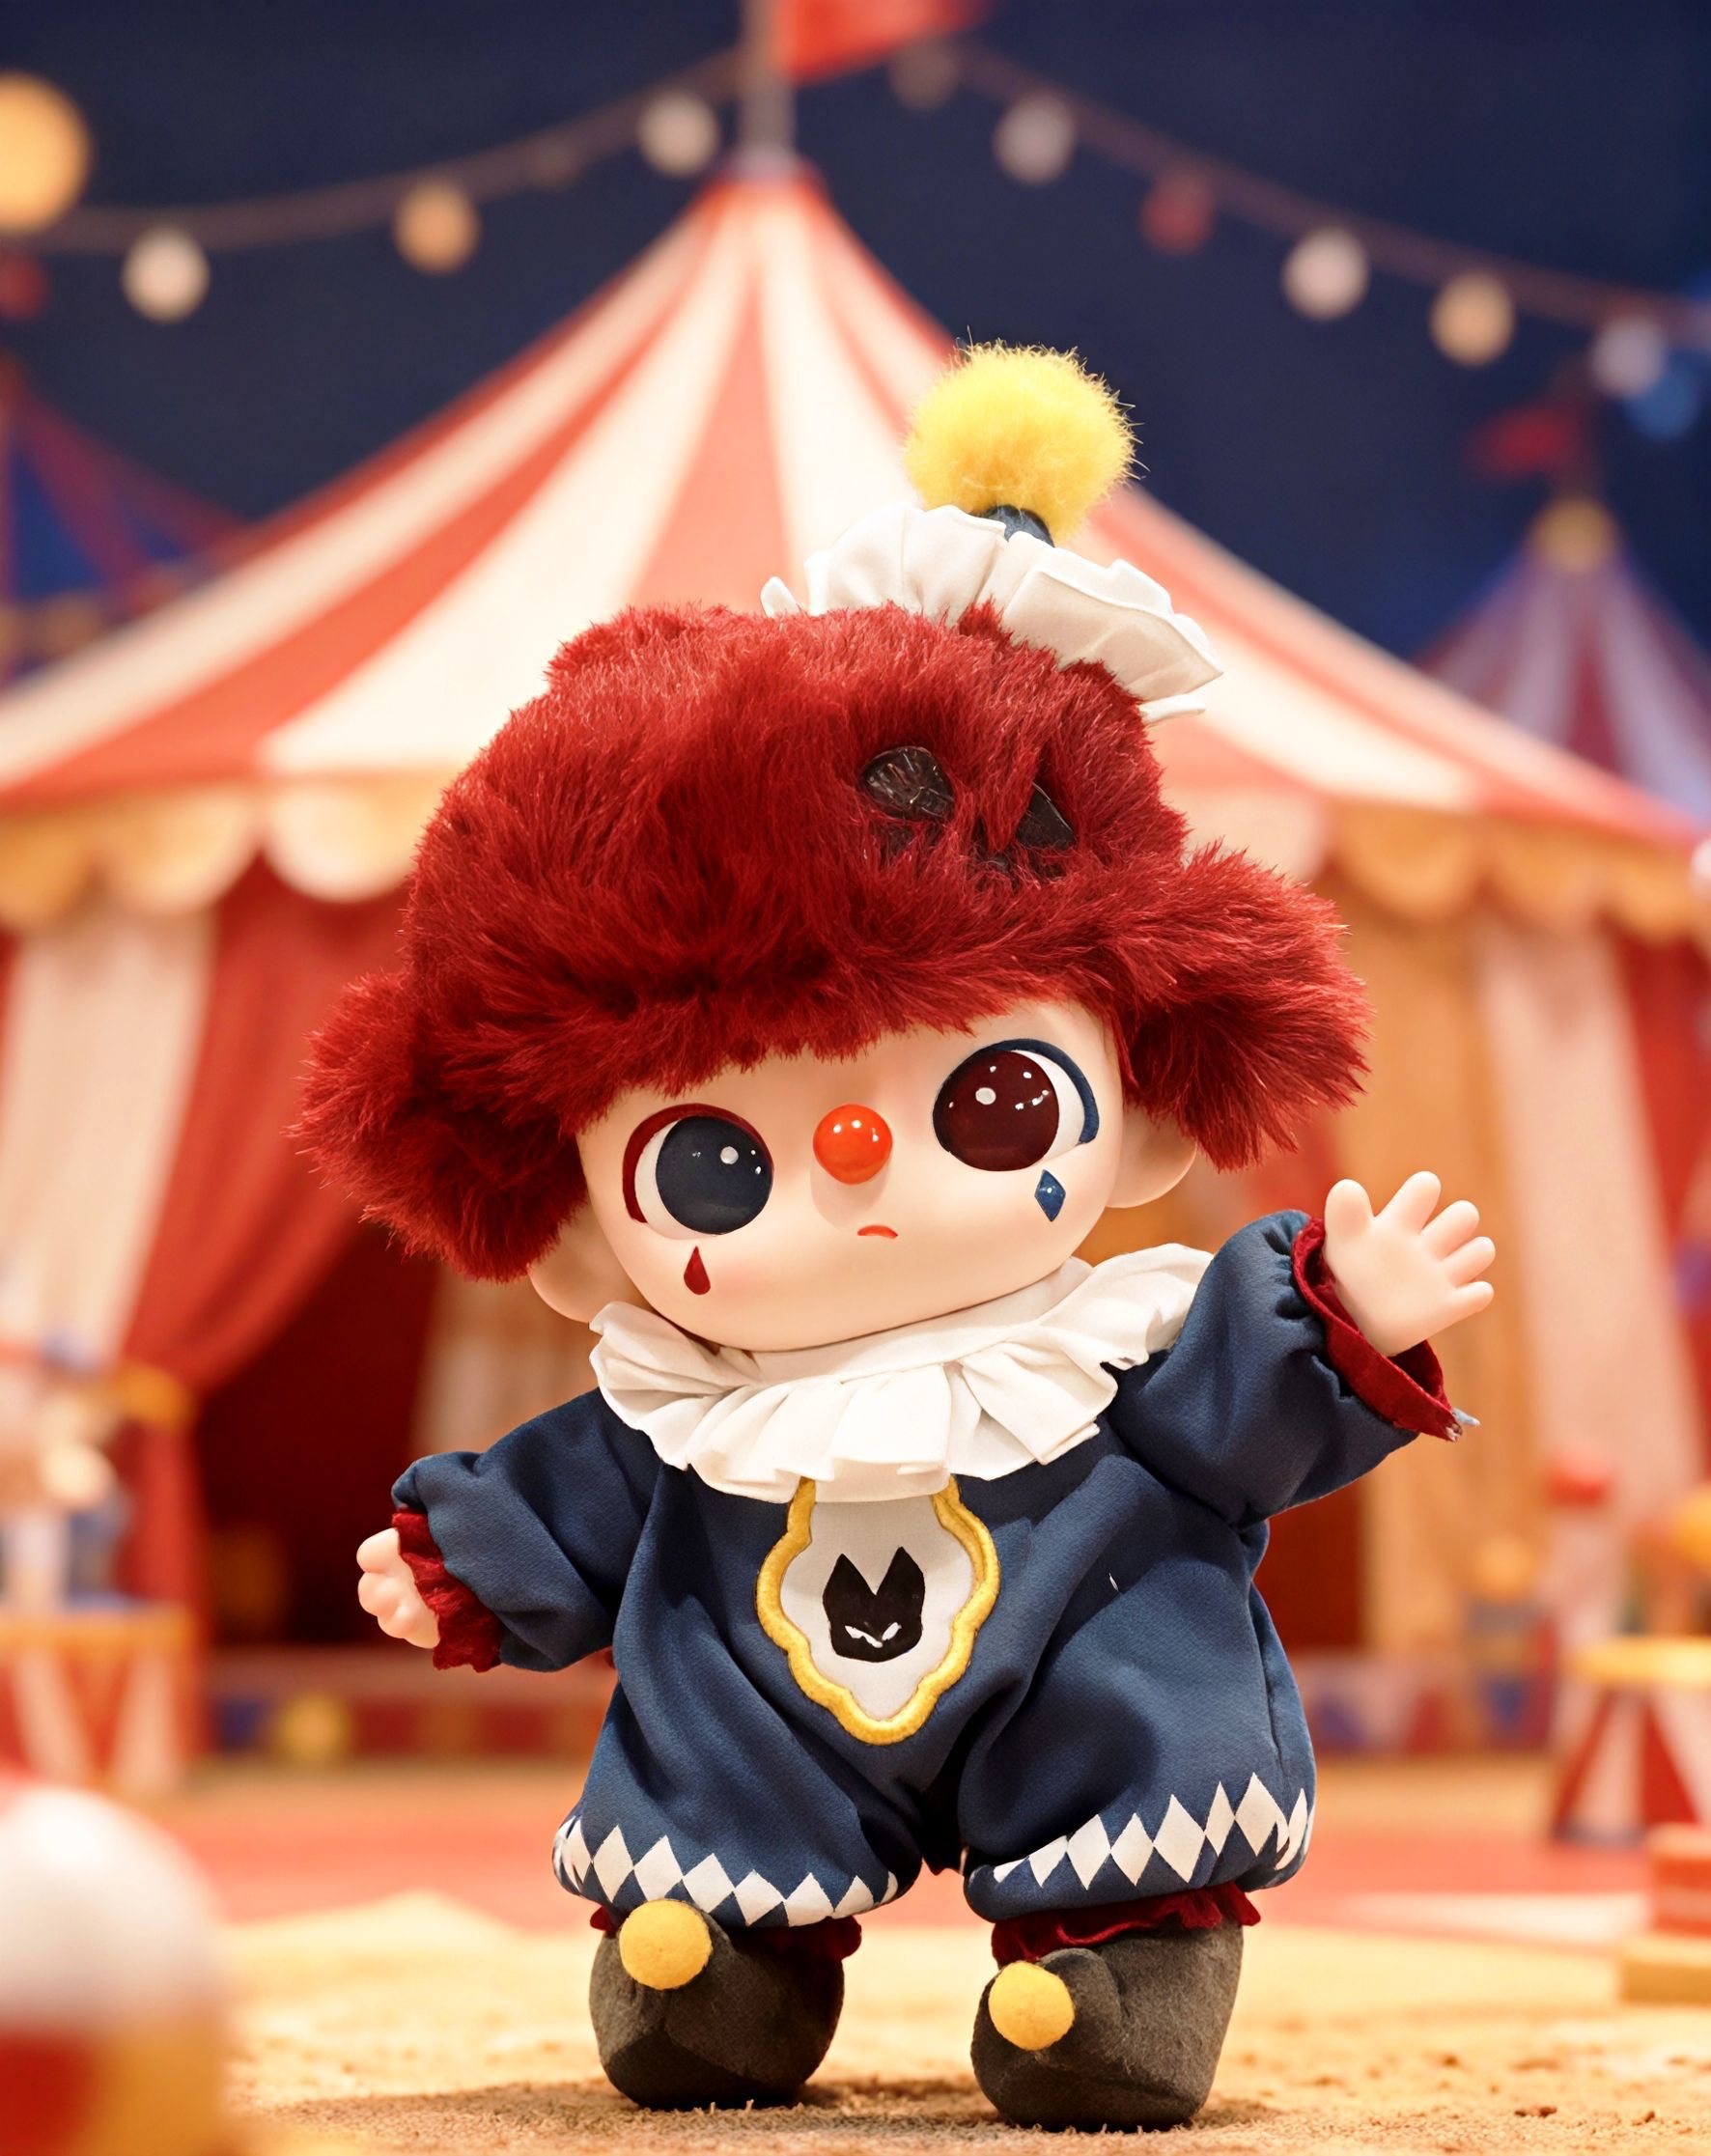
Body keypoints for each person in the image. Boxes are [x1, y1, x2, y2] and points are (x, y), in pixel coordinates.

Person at [303, 346, 1495, 2128]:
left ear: (1140, 1102)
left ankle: (1109, 1971)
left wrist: (1341, 1318)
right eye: (718, 1167)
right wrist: (470, 1559)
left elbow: (1226, 1421)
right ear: (579, 1227)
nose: (859, 1170)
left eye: (991, 1105)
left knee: (1127, 1699)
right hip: (765, 1706)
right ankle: (720, 1960)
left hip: (1084, 1652)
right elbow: (585, 1497)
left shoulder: (1092, 1351)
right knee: (713, 1743)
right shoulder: (693, 1401)